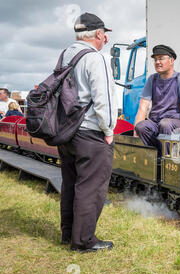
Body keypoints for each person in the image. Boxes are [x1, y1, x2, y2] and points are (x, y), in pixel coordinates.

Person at [57, 12, 118, 252]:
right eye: (105, 36)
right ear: (99, 35)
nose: (105, 41)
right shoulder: (96, 58)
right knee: (91, 187)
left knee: (70, 183)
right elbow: (103, 99)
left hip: (67, 131)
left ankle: (68, 233)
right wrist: (109, 130)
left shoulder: (65, 55)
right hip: (91, 132)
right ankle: (83, 241)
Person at [134, 45, 180, 156]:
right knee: (141, 126)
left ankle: (168, 162)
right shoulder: (152, 79)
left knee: (165, 124)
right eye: (155, 59)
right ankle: (156, 156)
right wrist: (135, 133)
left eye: (161, 58)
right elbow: (143, 107)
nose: (157, 62)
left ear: (171, 60)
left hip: (175, 123)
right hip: (156, 121)